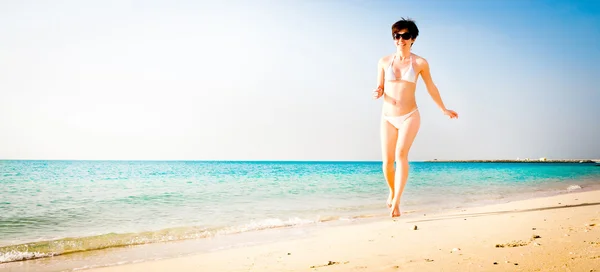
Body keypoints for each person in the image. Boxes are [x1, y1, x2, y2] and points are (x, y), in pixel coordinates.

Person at [372, 18, 458, 217]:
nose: (400, 40)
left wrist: (443, 109)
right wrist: (377, 92)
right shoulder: (384, 61)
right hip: (387, 116)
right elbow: (380, 87)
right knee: (386, 162)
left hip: (410, 115)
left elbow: (431, 87)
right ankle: (392, 192)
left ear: (413, 39)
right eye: (397, 36)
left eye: (405, 36)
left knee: (401, 155)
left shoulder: (420, 63)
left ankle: (397, 202)